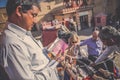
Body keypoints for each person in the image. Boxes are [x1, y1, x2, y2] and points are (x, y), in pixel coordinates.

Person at [0, 0, 63, 80]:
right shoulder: (12, 44)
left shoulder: (24, 32)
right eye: (33, 15)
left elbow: (36, 56)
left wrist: (51, 53)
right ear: (19, 11)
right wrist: (52, 66)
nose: (36, 20)